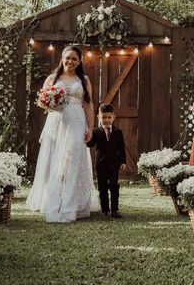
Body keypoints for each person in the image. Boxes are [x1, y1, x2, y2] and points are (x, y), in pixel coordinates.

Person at [26, 45, 98, 222]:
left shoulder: (84, 80)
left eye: (74, 59)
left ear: (80, 61)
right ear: (62, 58)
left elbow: (88, 105)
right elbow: (43, 101)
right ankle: (54, 202)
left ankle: (70, 206)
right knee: (55, 161)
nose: (70, 61)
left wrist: (91, 127)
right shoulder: (53, 78)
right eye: (68, 58)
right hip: (56, 123)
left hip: (76, 122)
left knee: (73, 160)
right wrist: (50, 104)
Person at [86, 103, 126, 219]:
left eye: (109, 117)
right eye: (104, 117)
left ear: (113, 117)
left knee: (114, 186)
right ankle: (105, 210)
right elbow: (90, 144)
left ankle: (114, 210)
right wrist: (87, 137)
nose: (106, 120)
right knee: (102, 188)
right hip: (101, 165)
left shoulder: (118, 132)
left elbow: (121, 148)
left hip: (114, 164)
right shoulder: (96, 132)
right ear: (99, 117)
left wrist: (123, 162)